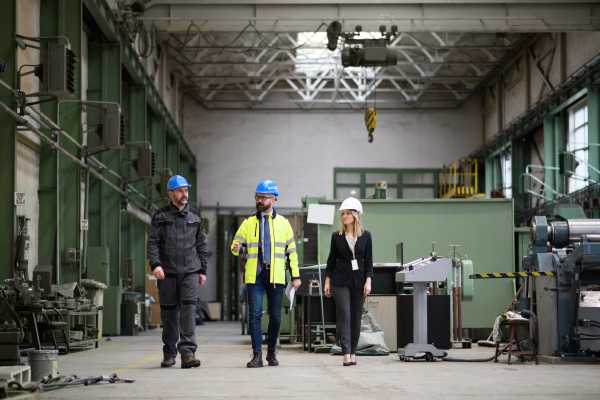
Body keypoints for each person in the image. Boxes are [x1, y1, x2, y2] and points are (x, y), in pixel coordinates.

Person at [231, 180, 301, 368]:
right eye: (258, 197)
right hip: (255, 275)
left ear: (274, 199)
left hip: (276, 275)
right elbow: (235, 247)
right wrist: (237, 248)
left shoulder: (284, 223)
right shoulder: (248, 223)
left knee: (276, 316)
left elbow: (292, 252)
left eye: (263, 197)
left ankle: (271, 352)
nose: (260, 200)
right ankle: (257, 355)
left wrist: (296, 276)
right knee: (254, 315)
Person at [147, 175, 208, 369]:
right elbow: (153, 243)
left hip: (190, 272)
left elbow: (202, 245)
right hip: (167, 273)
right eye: (180, 191)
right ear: (170, 194)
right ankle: (169, 353)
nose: (184, 194)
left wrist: (202, 270)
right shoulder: (160, 216)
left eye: (186, 190)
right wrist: (155, 264)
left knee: (189, 312)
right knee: (169, 314)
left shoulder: (195, 216)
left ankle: (188, 354)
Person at [324, 197, 373, 366]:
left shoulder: (366, 236)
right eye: (343, 213)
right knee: (344, 314)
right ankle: (346, 353)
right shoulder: (336, 236)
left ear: (356, 215)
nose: (344, 216)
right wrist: (327, 281)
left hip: (359, 281)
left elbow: (368, 261)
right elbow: (331, 260)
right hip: (339, 281)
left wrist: (369, 281)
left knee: (356, 318)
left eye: (348, 213)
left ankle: (353, 351)